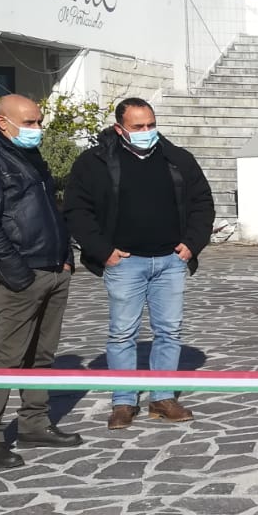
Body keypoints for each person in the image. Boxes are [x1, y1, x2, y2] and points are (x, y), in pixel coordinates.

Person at [62, 98, 215, 430]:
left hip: (171, 261)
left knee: (169, 330)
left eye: (150, 125)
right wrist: (104, 251)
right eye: (138, 127)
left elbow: (202, 201)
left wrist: (191, 245)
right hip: (124, 263)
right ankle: (123, 401)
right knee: (122, 333)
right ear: (120, 128)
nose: (147, 132)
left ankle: (162, 398)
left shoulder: (177, 159)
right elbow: (76, 209)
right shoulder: (95, 162)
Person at [0, 95, 80, 467]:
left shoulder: (29, 157)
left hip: (52, 269)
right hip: (21, 274)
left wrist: (64, 258)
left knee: (42, 355)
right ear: (3, 122)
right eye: (30, 123)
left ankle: (34, 424)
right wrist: (18, 272)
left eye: (39, 122)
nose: (37, 129)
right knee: (7, 357)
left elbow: (48, 211)